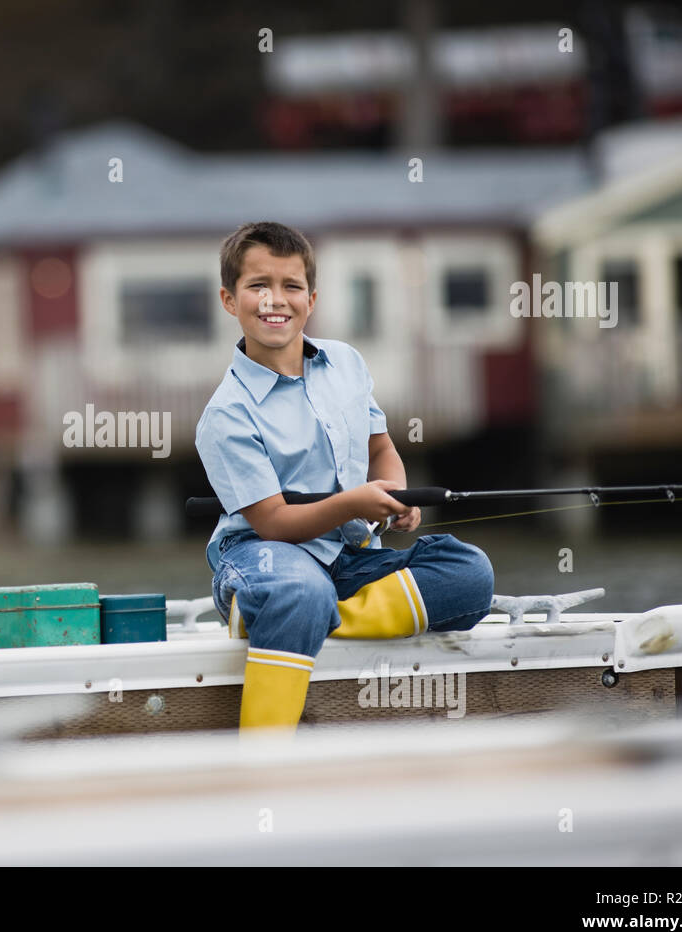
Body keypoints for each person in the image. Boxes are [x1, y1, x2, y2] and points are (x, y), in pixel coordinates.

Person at [194, 222, 494, 732]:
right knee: (299, 588)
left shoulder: (346, 364)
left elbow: (382, 449)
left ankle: (299, 618)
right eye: (257, 285)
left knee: (471, 574)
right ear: (229, 299)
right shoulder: (225, 415)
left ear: (311, 299)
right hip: (262, 556)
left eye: (290, 286)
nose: (275, 300)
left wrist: (395, 497)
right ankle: (263, 756)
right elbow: (271, 522)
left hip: (346, 559)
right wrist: (356, 504)